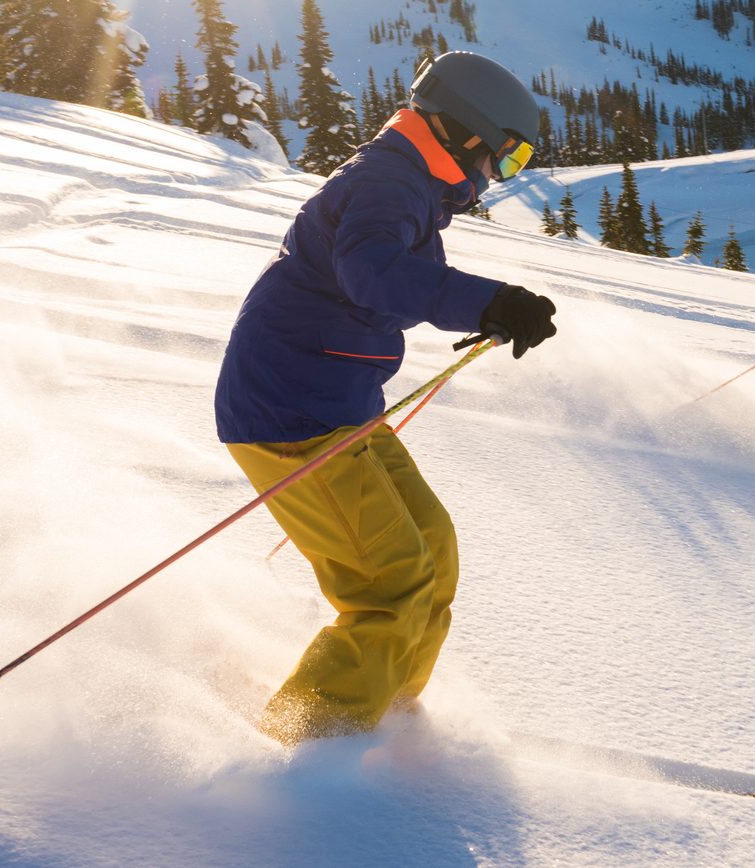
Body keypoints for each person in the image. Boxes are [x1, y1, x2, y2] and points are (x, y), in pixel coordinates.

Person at [214, 52, 558, 745]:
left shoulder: (408, 185)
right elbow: (374, 274)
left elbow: (379, 279)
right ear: (464, 134)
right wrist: (489, 300)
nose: (500, 176)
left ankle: (387, 708)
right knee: (390, 585)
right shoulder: (386, 185)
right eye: (507, 158)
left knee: (432, 546)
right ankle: (311, 742)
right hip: (289, 414)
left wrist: (488, 307)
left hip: (334, 405)